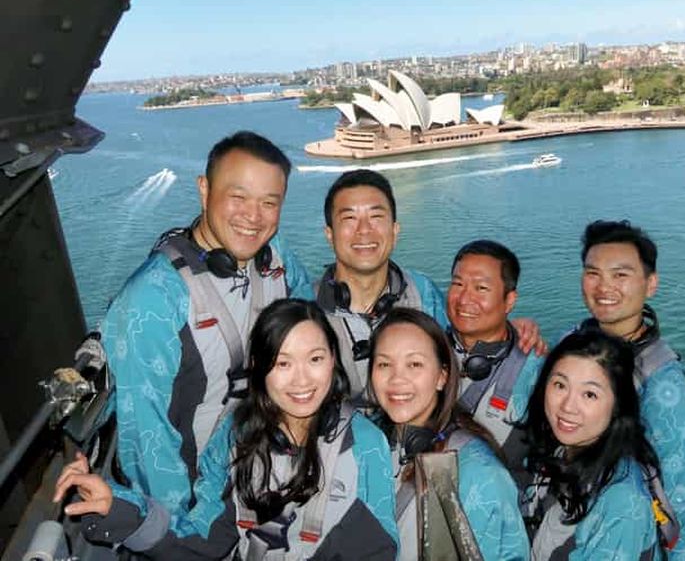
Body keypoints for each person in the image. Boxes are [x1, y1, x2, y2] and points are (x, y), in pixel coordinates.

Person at [54, 299, 398, 560]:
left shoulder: (365, 445)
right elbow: (203, 538)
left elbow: (377, 550)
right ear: (258, 369)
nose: (302, 379)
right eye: (282, 363)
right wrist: (119, 507)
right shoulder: (238, 436)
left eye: (315, 359)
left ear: (334, 361)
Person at [97, 131, 312, 524]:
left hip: (262, 465)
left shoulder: (277, 257)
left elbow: (311, 328)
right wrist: (183, 531)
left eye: (269, 203)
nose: (254, 217)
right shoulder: (152, 301)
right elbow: (148, 444)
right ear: (204, 189)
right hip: (199, 500)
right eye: (238, 197)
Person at [317, 169, 544, 400]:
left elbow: (463, 333)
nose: (364, 230)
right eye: (349, 218)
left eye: (376, 217)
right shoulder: (308, 307)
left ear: (395, 230)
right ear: (329, 234)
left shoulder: (422, 292)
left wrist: (506, 329)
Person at [578, 220, 685, 560]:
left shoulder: (661, 378)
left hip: (621, 535)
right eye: (593, 273)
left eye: (620, 274)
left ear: (650, 284)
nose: (604, 286)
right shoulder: (571, 342)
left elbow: (680, 483)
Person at [367, 307, 529, 561]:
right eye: (384, 364)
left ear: (442, 377)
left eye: (414, 364)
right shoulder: (369, 441)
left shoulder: (478, 473)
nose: (397, 379)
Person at [524, 329, 661, 559]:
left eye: (589, 394)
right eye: (560, 385)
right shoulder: (561, 450)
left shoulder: (623, 505)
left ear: (618, 405)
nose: (567, 406)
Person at [447, 240, 544, 465]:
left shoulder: (537, 372)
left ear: (509, 300)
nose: (464, 299)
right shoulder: (426, 350)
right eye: (458, 284)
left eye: (481, 288)